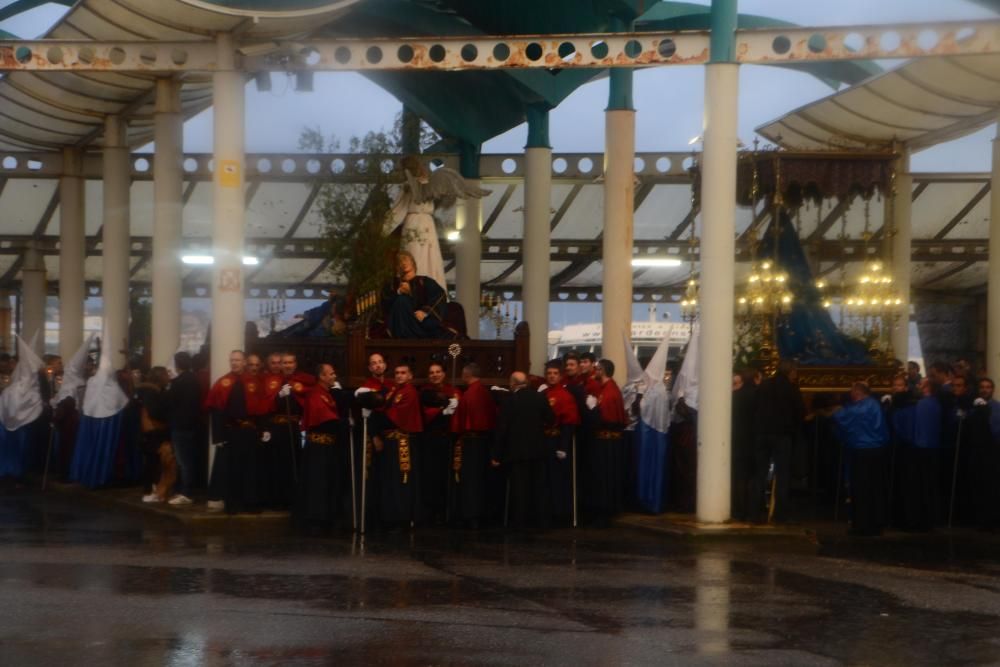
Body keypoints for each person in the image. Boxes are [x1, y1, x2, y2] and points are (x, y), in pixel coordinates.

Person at [493, 371, 555, 530]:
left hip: (516, 452)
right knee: (539, 487)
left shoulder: (509, 401)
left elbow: (502, 429)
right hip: (538, 450)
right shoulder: (540, 397)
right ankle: (541, 522)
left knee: (519, 489)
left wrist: (496, 454)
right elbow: (550, 419)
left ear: (513, 384)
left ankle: (520, 523)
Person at [204, 350, 260, 514]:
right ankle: (232, 504)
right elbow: (215, 410)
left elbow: (262, 407)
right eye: (232, 360)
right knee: (232, 469)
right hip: (231, 432)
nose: (234, 363)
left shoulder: (254, 382)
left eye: (238, 360)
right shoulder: (223, 383)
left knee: (251, 468)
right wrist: (218, 437)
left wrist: (261, 430)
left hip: (249, 431)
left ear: (244, 362)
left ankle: (250, 502)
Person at [296, 363, 350, 532]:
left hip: (328, 447)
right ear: (322, 376)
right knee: (318, 485)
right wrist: (345, 423)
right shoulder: (315, 394)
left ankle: (327, 518)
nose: (334, 376)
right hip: (318, 448)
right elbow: (326, 420)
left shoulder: (328, 393)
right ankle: (315, 521)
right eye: (331, 374)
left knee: (328, 483)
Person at [749, 360, 804, 524]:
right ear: (791, 372)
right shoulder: (791, 388)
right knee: (782, 475)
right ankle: (779, 515)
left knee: (760, 473)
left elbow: (754, 407)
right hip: (782, 435)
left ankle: (754, 513)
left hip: (761, 434)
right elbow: (799, 411)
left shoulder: (764, 386)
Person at [832, 382, 889, 536]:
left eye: (852, 390)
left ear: (857, 392)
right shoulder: (875, 404)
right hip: (877, 450)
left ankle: (862, 524)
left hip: (861, 450)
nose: (850, 393)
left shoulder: (857, 409)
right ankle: (877, 523)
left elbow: (840, 419)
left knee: (860, 488)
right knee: (875, 488)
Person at [263, 352, 314, 510]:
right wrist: (279, 396)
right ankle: (276, 500)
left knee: (294, 462)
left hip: (294, 427)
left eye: (290, 362)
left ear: (295, 364)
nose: (287, 365)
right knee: (277, 464)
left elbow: (310, 399)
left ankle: (293, 499)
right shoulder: (273, 380)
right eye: (284, 363)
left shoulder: (303, 380)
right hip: (277, 428)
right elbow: (265, 403)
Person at [450, 362, 497, 528]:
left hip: (470, 443)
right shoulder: (484, 392)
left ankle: (470, 515)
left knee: (470, 480)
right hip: (484, 442)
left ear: (467, 375)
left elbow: (458, 423)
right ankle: (481, 514)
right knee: (481, 478)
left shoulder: (469, 394)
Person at [376, 363, 424, 529]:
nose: (399, 375)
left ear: (410, 376)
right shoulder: (394, 391)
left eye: (403, 373)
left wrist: (375, 417)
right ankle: (390, 516)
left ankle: (401, 517)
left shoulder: (409, 393)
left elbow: (394, 416)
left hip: (401, 442)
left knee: (401, 479)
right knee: (390, 479)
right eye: (396, 373)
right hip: (391, 443)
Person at [581, 358, 626, 526]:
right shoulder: (604, 389)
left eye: (597, 369)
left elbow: (606, 417)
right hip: (603, 440)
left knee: (605, 477)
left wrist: (593, 410)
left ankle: (605, 511)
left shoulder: (609, 392)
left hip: (607, 442)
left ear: (603, 370)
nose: (595, 372)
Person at [379, 251, 461, 339]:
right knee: (401, 300)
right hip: (400, 324)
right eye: (400, 263)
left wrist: (425, 311)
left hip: (421, 323)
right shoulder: (393, 284)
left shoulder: (425, 281)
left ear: (413, 264)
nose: (404, 264)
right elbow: (385, 303)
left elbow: (439, 296)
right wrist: (399, 292)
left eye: (406, 261)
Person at [418, 362, 460, 523]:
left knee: (446, 475)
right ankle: (431, 511)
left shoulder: (452, 390)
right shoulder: (425, 392)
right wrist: (442, 411)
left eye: (438, 371)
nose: (434, 375)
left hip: (448, 439)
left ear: (444, 373)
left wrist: (455, 403)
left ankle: (446, 510)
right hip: (430, 439)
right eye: (431, 372)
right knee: (431, 475)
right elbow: (424, 412)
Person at [539, 360, 580, 523]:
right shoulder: (543, 394)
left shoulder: (565, 396)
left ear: (560, 376)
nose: (552, 376)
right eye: (549, 374)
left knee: (557, 478)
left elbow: (568, 423)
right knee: (545, 477)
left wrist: (563, 446)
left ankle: (559, 513)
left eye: (555, 373)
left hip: (557, 440)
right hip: (544, 440)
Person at [165, 351, 201, 505]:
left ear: (177, 365)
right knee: (188, 459)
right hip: (193, 424)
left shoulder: (177, 382)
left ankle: (186, 492)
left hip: (180, 425)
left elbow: (170, 403)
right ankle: (184, 490)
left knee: (183, 461)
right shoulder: (194, 379)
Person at [136, 367, 176, 504]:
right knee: (154, 461)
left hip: (147, 431)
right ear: (160, 378)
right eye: (166, 375)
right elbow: (154, 412)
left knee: (151, 461)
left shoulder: (143, 391)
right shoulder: (152, 393)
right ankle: (150, 489)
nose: (169, 377)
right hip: (153, 431)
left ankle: (151, 488)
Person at [970, 378, 1000, 529]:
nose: (985, 390)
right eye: (982, 387)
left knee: (992, 487)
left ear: (992, 389)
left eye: (988, 387)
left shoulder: (997, 408)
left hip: (993, 452)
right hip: (976, 453)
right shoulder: (974, 407)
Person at [731, 368, 758, 522]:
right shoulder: (757, 395)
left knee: (738, 476)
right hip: (752, 439)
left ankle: (738, 509)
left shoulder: (735, 396)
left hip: (737, 439)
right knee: (751, 476)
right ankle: (750, 510)